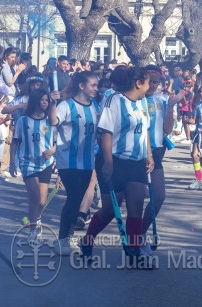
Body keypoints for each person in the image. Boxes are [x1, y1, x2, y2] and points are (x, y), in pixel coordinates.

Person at [80, 66, 154, 267]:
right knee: (110, 210)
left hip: (136, 162)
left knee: (136, 205)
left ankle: (134, 251)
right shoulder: (114, 100)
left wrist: (149, 154)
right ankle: (87, 239)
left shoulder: (143, 102)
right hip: (114, 160)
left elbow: (144, 129)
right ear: (138, 83)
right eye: (148, 83)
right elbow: (106, 133)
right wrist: (108, 163)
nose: (150, 87)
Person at [54, 71, 100, 254]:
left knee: (79, 199)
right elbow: (52, 123)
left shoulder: (95, 106)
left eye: (97, 85)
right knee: (73, 199)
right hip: (68, 161)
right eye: (93, 85)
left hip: (87, 161)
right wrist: (52, 103)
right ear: (82, 86)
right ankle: (62, 240)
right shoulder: (66, 105)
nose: (96, 89)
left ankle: (68, 238)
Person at [10, 88, 60, 243]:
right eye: (42, 100)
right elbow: (15, 142)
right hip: (28, 163)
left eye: (46, 100)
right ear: (35, 101)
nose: (44, 102)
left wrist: (53, 150)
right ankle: (33, 229)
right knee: (35, 197)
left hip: (46, 164)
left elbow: (56, 142)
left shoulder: (49, 121)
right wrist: (12, 162)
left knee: (42, 201)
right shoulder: (23, 121)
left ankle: (37, 219)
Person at [140, 65, 179, 257]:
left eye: (156, 82)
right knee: (127, 200)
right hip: (134, 153)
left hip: (155, 153)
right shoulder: (133, 100)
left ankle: (140, 233)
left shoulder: (163, 100)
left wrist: (171, 106)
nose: (152, 85)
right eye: (149, 81)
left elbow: (167, 130)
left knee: (158, 196)